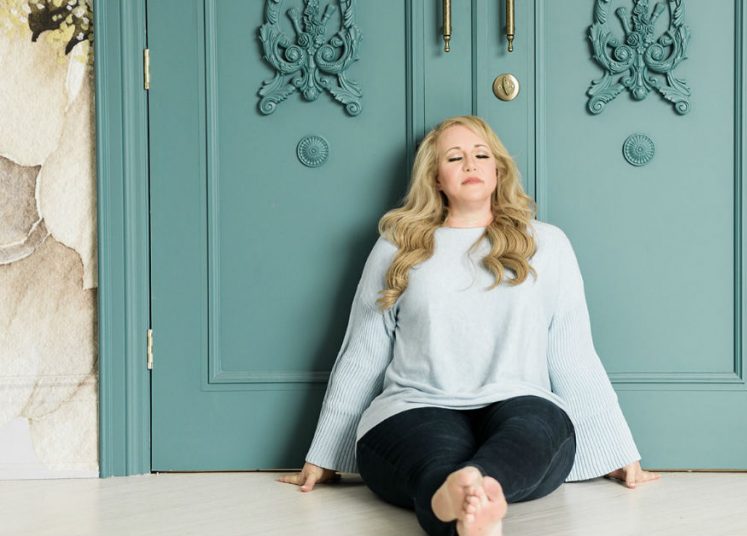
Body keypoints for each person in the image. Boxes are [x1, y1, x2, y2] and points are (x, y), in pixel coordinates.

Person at [278, 115, 659, 535]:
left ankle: (480, 488)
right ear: (436, 178)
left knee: (533, 428)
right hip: (416, 404)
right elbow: (363, 352)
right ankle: (456, 501)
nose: (471, 164)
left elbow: (573, 353)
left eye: (481, 155)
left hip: (520, 399)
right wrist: (324, 453)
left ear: (498, 170)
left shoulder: (547, 244)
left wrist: (618, 449)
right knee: (433, 460)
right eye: (454, 157)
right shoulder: (398, 245)